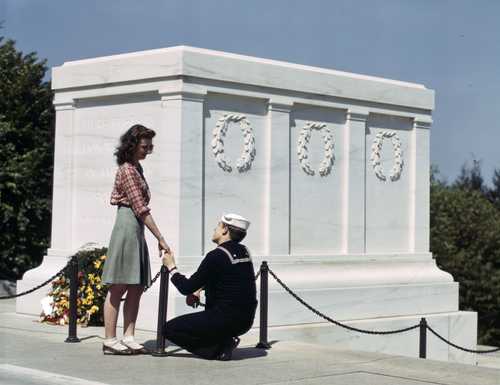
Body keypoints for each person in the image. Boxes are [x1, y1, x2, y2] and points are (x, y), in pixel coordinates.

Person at [101, 124, 172, 355]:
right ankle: (110, 339)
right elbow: (140, 208)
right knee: (119, 285)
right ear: (132, 145)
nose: (148, 150)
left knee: (135, 286)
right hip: (127, 224)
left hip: (135, 227)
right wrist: (160, 237)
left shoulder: (137, 168)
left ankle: (128, 335)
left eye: (150, 146)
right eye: (145, 146)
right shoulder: (128, 170)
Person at [162, 213, 257, 361]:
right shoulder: (245, 252)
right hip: (245, 321)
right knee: (207, 320)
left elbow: (186, 287)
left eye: (218, 226)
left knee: (169, 329)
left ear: (225, 230)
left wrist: (171, 267)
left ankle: (218, 349)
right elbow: (228, 278)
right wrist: (199, 289)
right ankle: (224, 340)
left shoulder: (216, 255)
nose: (215, 229)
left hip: (224, 320)